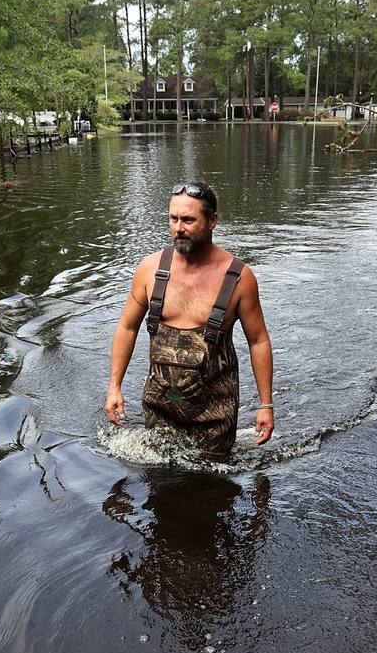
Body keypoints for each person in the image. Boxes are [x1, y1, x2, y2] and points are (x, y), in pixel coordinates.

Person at [104, 182, 274, 461]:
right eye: (173, 219)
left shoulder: (239, 278)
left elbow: (258, 341)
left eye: (188, 220)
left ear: (212, 221)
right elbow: (127, 327)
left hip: (215, 410)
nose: (178, 228)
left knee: (211, 487)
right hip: (161, 403)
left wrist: (265, 405)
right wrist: (115, 387)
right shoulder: (150, 269)